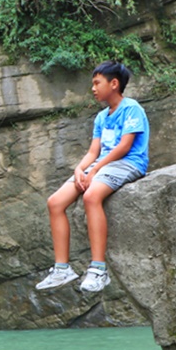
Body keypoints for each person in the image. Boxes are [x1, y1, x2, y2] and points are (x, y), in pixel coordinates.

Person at [36, 61, 149, 292]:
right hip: (102, 165)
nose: (93, 88)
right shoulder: (100, 117)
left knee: (91, 196)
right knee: (55, 202)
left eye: (97, 83)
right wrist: (80, 169)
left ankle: (98, 269)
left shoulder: (132, 108)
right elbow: (92, 152)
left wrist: (95, 170)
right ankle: (62, 269)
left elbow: (125, 147)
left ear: (114, 84)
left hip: (128, 163)